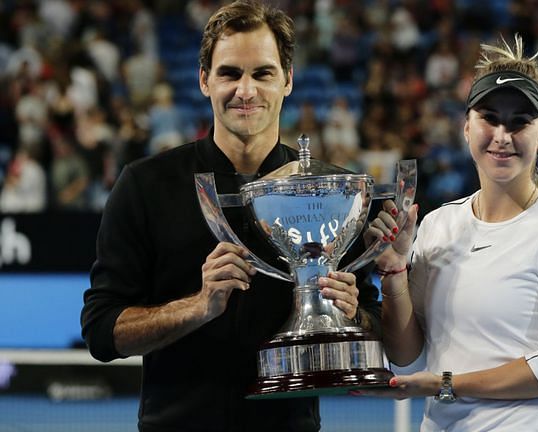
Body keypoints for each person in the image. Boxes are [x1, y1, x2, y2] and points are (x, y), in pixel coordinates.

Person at [80, 2, 381, 431]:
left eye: (262, 73)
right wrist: (198, 307)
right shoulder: (145, 185)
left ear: (288, 81)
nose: (246, 90)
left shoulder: (330, 192)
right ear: (204, 80)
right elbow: (101, 330)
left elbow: (377, 326)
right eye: (229, 73)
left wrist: (349, 313)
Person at [360, 35, 538, 431]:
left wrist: (446, 384)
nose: (502, 136)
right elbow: (406, 358)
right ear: (467, 128)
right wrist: (394, 272)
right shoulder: (439, 224)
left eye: (519, 122)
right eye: (489, 118)